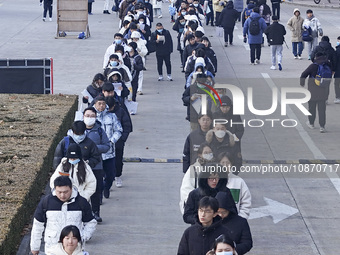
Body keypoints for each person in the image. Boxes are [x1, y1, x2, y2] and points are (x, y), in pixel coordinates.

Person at [30, 176, 97, 254]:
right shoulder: (46, 202)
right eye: (59, 192)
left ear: (71, 188)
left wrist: (81, 237)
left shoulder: (81, 202)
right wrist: (35, 247)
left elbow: (91, 223)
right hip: (52, 249)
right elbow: (37, 225)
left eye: (65, 192)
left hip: (75, 249)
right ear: (55, 189)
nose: (62, 195)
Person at [93, 97, 123, 198]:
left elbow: (118, 130)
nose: (101, 106)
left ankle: (107, 187)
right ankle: (99, 194)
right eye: (99, 104)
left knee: (110, 175)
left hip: (109, 152)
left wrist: (111, 141)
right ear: (95, 104)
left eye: (103, 104)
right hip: (95, 153)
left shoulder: (112, 116)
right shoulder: (90, 117)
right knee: (97, 177)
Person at [300, 52, 331, 133]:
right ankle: (322, 126)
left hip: (312, 91)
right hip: (323, 91)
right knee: (322, 110)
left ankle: (311, 123)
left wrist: (302, 83)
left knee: (311, 108)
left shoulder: (313, 66)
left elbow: (303, 74)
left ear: (316, 57)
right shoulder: (327, 65)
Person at [179, 142, 215, 213]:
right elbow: (186, 190)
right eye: (206, 152)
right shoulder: (193, 169)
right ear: (199, 154)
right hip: (197, 209)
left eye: (210, 152)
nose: (208, 154)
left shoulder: (216, 168)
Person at [106, 96, 133, 187]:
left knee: (118, 160)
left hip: (118, 143)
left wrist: (122, 139)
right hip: (105, 143)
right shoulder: (102, 113)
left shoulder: (121, 111)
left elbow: (127, 126)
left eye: (111, 108)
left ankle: (118, 176)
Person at [334, 36, 340, 104]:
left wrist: (333, 69)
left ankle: (338, 97)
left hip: (338, 70)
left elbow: (335, 61)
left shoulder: (338, 50)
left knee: (337, 84)